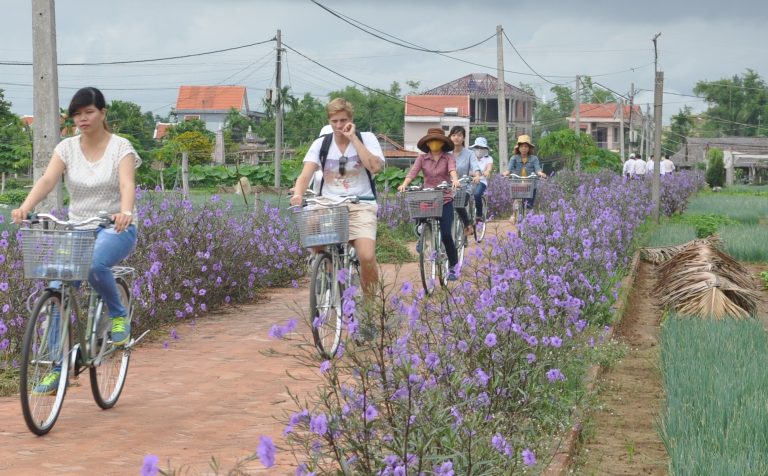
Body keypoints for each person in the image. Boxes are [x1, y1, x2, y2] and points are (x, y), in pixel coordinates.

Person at [11, 86, 140, 394]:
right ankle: (58, 368)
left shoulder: (120, 147)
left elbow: (126, 183)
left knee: (96, 264)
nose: (83, 118)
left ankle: (119, 314)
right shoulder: (66, 148)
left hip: (114, 228)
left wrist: (125, 212)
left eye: (89, 112)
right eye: (77, 114)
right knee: (57, 288)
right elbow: (47, 180)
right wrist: (25, 207)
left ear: (102, 113)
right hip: (78, 229)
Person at [290, 98, 385, 296]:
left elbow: (375, 167)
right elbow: (305, 175)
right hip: (328, 203)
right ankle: (329, 269)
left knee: (367, 257)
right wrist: (298, 194)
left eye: (343, 120)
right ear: (329, 121)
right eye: (335, 121)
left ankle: (371, 308)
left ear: (351, 119)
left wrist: (353, 139)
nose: (339, 125)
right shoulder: (321, 144)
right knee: (311, 228)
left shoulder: (366, 138)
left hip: (361, 203)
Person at [398, 128, 461, 281]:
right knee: (419, 214)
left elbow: (452, 170)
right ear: (427, 142)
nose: (434, 143)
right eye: (431, 140)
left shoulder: (448, 158)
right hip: (428, 197)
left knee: (446, 234)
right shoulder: (422, 158)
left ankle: (453, 266)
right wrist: (404, 184)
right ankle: (422, 235)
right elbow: (413, 172)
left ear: (442, 142)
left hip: (444, 197)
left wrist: (455, 180)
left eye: (437, 140)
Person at [448, 126, 481, 236]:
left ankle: (467, 225)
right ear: (450, 137)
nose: (456, 138)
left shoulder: (469, 153)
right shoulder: (446, 153)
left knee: (458, 204)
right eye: (453, 135)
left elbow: (475, 166)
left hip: (463, 187)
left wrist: (476, 175)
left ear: (463, 138)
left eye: (459, 135)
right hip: (448, 187)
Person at [503, 134, 546, 209]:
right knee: (517, 203)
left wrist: (540, 173)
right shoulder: (514, 158)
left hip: (530, 185)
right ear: (518, 148)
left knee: (528, 206)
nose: (524, 148)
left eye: (526, 146)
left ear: (529, 148)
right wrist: (506, 173)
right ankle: (514, 214)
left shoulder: (534, 158)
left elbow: (537, 169)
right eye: (521, 146)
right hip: (517, 184)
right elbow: (509, 169)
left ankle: (526, 219)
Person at [468, 137, 494, 223]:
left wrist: (487, 171)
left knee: (477, 194)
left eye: (482, 148)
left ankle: (479, 215)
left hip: (481, 181)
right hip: (469, 181)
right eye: (478, 147)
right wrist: (473, 174)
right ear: (474, 148)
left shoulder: (488, 158)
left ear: (485, 149)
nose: (479, 150)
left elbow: (489, 167)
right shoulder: (470, 157)